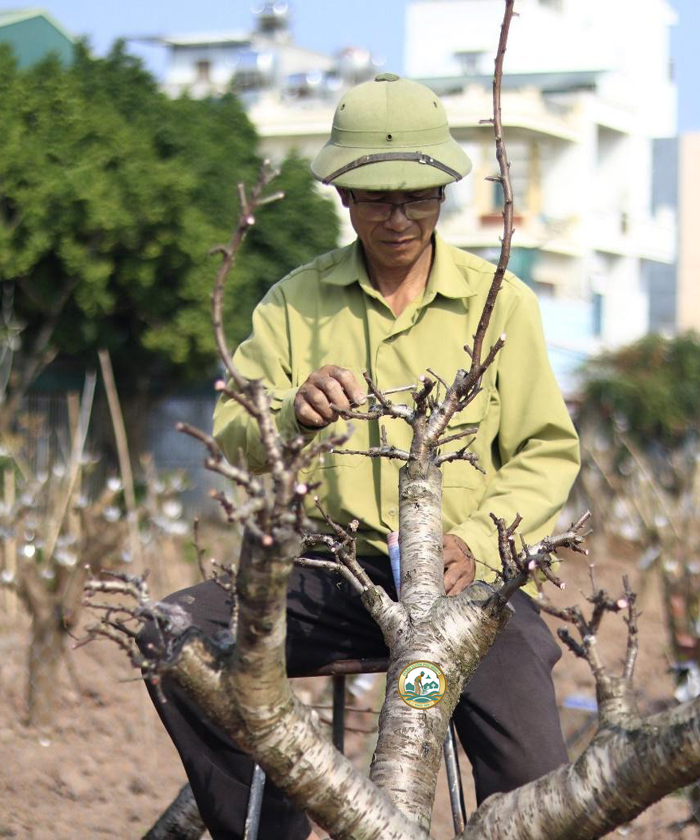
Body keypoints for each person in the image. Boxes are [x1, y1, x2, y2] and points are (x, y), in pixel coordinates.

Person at [141, 74, 580, 840]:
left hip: (467, 583)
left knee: (534, 775)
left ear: (444, 192)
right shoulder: (293, 304)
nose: (399, 217)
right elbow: (231, 430)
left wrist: (475, 546)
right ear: (344, 194)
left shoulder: (500, 303)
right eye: (377, 197)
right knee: (167, 632)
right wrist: (290, 411)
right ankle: (274, 820)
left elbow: (545, 451)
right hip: (330, 579)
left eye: (417, 195)